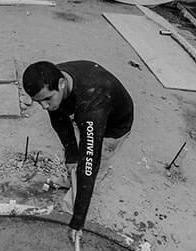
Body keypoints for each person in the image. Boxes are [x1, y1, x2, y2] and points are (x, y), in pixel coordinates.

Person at [22, 60, 134, 241]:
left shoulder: (92, 106)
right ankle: (71, 179)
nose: (43, 106)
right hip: (88, 114)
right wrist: (71, 153)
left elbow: (89, 164)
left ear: (61, 84)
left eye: (47, 99)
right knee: (76, 160)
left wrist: (78, 220)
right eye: (38, 102)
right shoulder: (53, 78)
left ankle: (69, 211)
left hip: (112, 129)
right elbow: (58, 118)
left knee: (88, 169)